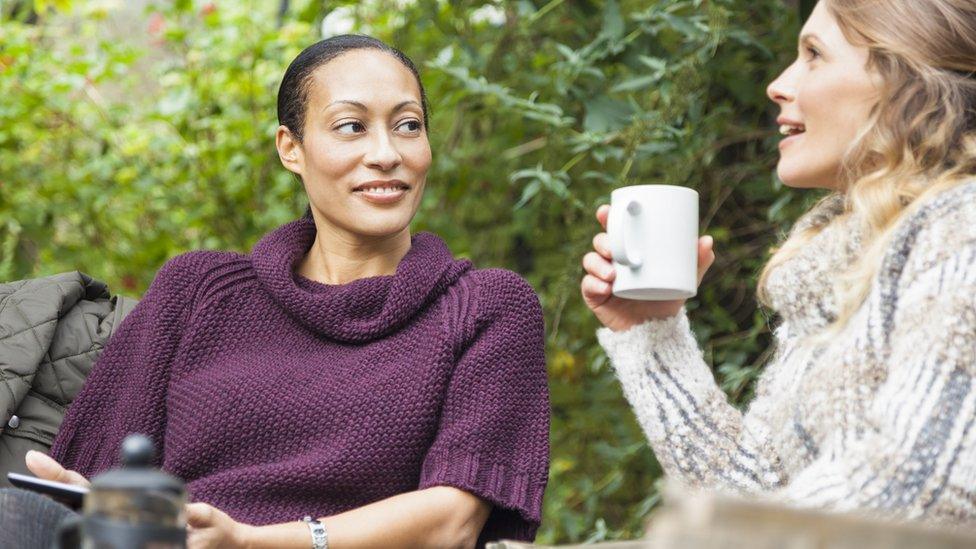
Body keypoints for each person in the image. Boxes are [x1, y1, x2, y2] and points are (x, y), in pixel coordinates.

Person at [22, 35, 550, 549]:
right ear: (291, 148)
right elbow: (92, 479)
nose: (387, 153)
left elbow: (452, 523)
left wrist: (251, 542)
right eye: (351, 127)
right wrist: (102, 509)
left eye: (408, 126)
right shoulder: (199, 291)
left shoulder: (487, 307)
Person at [581, 0, 976, 527]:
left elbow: (921, 483)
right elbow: (755, 493)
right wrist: (654, 333)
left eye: (814, 54)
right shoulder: (839, 268)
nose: (778, 84)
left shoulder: (960, 227)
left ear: (906, 81)